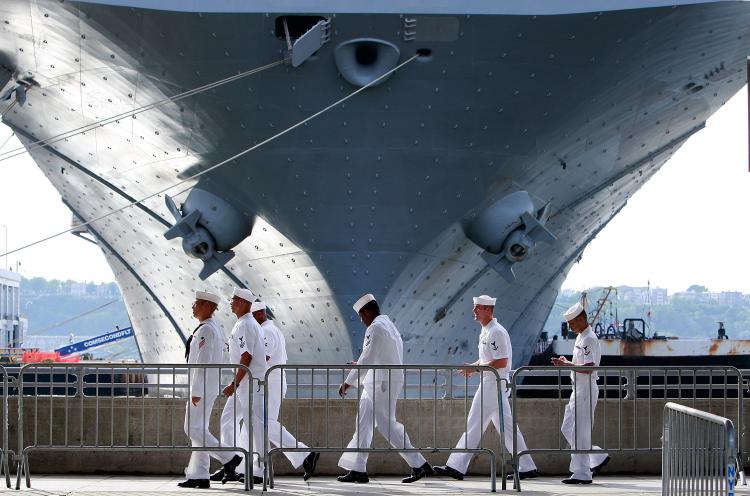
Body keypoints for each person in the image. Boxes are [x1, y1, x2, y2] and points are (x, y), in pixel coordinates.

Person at [434, 295, 538, 481]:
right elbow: (488, 359)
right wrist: (474, 367)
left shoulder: (495, 332)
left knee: (474, 422)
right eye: (475, 308)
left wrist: (476, 368)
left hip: (493, 384)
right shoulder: (487, 331)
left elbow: (502, 360)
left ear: (489, 310)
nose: (474, 311)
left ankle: (455, 466)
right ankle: (527, 466)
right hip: (491, 382)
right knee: (507, 428)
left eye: (478, 308)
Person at [337, 293, 433, 484]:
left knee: (386, 425)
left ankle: (419, 464)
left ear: (368, 312)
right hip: (376, 380)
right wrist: (362, 365)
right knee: (363, 424)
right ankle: (358, 469)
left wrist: (348, 381)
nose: (361, 320)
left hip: (382, 383)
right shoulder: (388, 325)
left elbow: (368, 357)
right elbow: (377, 355)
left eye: (361, 316)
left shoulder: (376, 327)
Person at [251, 301, 319, 480]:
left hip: (270, 384)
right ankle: (260, 469)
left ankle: (304, 454)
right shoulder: (274, 331)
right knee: (261, 425)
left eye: (252, 316)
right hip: (272, 383)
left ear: (259, 314)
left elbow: (262, 359)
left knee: (266, 424)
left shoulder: (266, 332)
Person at [211, 288, 267, 485]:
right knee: (227, 420)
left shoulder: (246, 324)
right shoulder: (243, 323)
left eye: (234, 299)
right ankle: (230, 463)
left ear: (243, 302)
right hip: (243, 383)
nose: (231, 302)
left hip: (249, 384)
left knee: (255, 426)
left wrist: (235, 383)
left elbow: (247, 356)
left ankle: (260, 470)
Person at [551, 302, 610, 484]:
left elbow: (589, 368)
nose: (571, 327)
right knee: (568, 428)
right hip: (577, 388)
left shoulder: (588, 339)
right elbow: (582, 363)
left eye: (573, 323)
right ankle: (597, 456)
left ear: (582, 319)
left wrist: (566, 365)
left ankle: (582, 472)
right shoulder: (581, 337)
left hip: (585, 388)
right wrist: (567, 362)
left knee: (580, 432)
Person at [178, 291, 230, 488]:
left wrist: (196, 391)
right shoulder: (210, 327)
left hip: (203, 387)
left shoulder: (207, 330)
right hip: (206, 386)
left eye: (197, 304)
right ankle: (199, 474)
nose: (193, 307)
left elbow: (203, 363)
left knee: (192, 428)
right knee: (199, 430)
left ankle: (230, 457)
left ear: (208, 307)